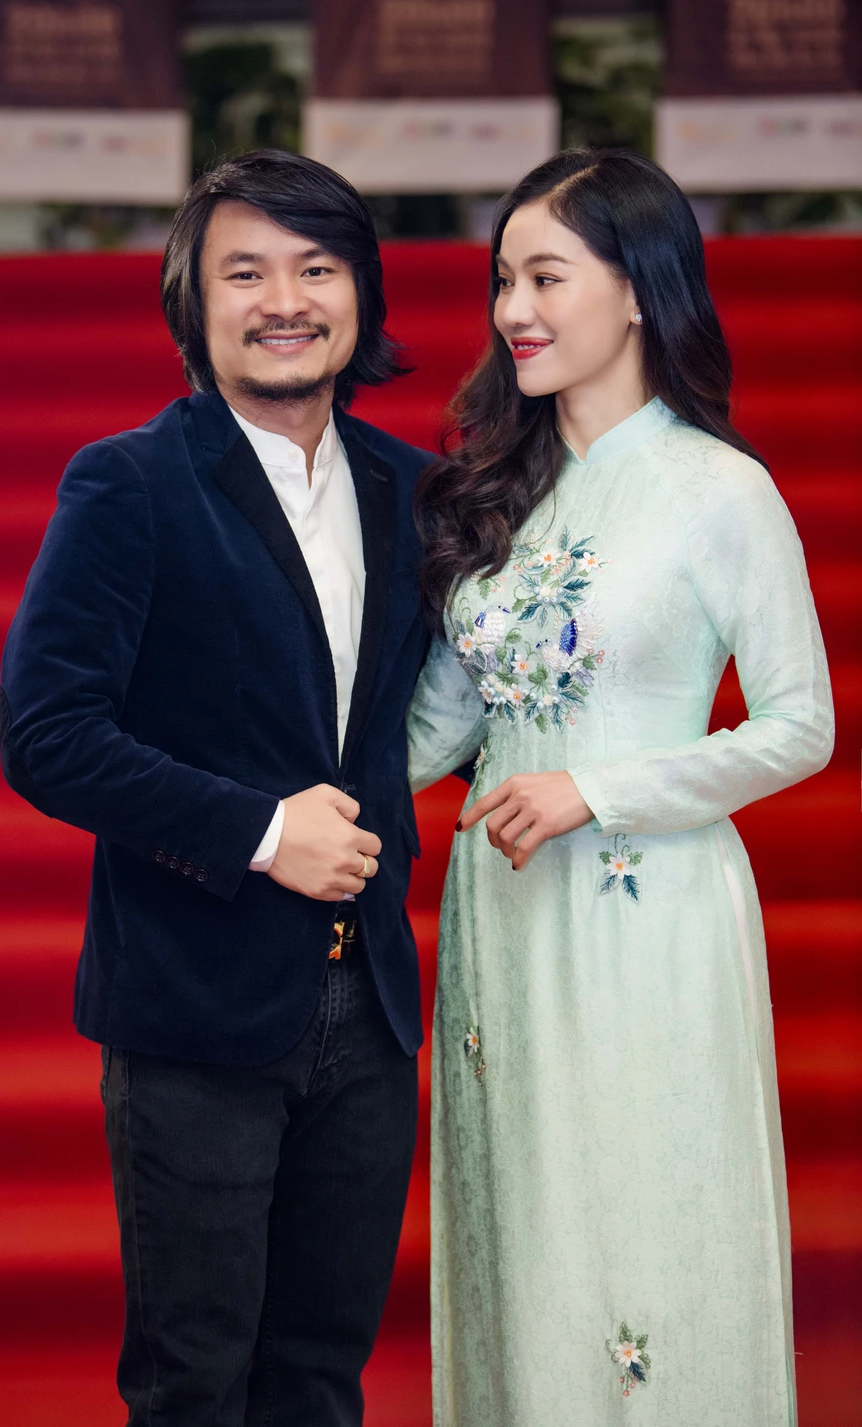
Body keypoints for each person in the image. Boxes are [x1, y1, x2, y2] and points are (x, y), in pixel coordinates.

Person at [0, 149, 433, 1427]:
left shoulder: (415, 488)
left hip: (371, 1009)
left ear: (361, 293)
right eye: (244, 273)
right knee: (195, 1381)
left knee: (320, 1376)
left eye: (316, 268)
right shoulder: (129, 482)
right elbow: (47, 733)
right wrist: (257, 831)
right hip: (194, 1002)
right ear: (192, 302)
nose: (283, 300)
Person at [407, 148, 834, 1424]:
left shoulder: (719, 490)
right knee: (527, 1225)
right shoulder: (502, 494)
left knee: (644, 1216)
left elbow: (799, 727)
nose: (513, 310)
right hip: (503, 913)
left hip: (647, 912)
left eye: (546, 277)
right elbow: (438, 725)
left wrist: (597, 789)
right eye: (502, 280)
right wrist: (267, 790)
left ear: (639, 289)